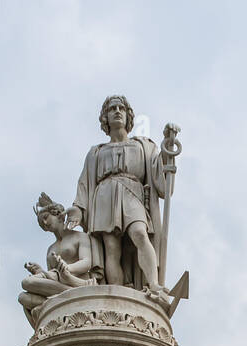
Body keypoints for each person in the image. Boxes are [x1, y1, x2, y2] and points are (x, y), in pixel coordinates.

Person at [67, 95, 173, 307]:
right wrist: (78, 208)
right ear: (105, 118)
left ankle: (154, 285)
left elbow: (157, 170)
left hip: (132, 191)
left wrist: (167, 151)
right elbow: (85, 182)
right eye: (112, 109)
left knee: (140, 234)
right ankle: (116, 296)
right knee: (111, 248)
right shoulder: (96, 152)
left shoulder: (143, 145)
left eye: (121, 108)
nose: (117, 111)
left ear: (127, 115)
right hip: (104, 195)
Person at [18, 193, 99, 326]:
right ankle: (71, 295)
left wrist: (67, 269)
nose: (44, 223)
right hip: (60, 282)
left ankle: (80, 288)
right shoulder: (51, 249)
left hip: (76, 279)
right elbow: (51, 278)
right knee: (22, 297)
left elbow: (86, 262)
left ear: (57, 214)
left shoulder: (80, 237)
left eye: (45, 217)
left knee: (27, 282)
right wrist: (40, 271)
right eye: (41, 223)